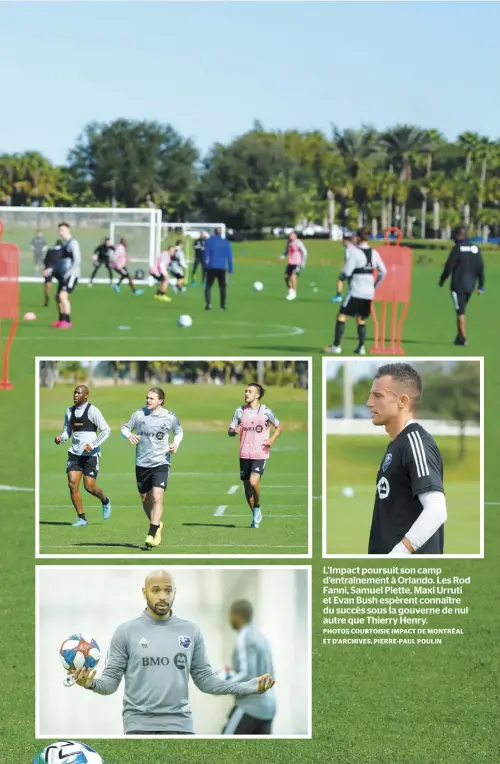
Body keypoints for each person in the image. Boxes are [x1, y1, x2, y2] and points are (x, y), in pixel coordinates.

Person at [69, 569, 276, 735]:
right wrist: (91, 683)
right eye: (156, 590)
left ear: (175, 592)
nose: (162, 596)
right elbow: (110, 682)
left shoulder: (191, 630)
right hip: (139, 728)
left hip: (181, 727)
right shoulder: (125, 631)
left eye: (168, 590)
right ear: (144, 593)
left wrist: (247, 687)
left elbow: (206, 681)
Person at [365, 363, 447, 555]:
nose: (369, 402)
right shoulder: (397, 444)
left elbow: (436, 510)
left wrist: (399, 553)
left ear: (402, 401)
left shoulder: (415, 443)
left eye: (378, 396)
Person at [121, 388, 183, 549]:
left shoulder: (170, 417)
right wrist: (129, 435)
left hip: (161, 462)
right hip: (142, 463)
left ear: (160, 400)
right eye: (147, 398)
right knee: (144, 498)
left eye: (152, 398)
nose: (148, 401)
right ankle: (157, 524)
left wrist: (175, 444)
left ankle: (151, 533)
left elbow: (178, 432)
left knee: (157, 497)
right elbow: (124, 428)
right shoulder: (138, 415)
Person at [54, 384, 112, 527]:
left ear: (86, 396)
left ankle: (105, 501)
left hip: (91, 455)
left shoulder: (93, 411)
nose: (75, 395)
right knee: (72, 484)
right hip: (75, 453)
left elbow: (106, 430)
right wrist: (61, 438)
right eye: (74, 392)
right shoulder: (69, 411)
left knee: (89, 487)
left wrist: (92, 445)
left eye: (79, 393)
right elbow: (67, 431)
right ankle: (82, 518)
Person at [324, 227, 387, 355]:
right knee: (361, 318)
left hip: (355, 290)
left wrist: (341, 278)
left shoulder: (354, 252)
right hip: (368, 292)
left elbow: (347, 271)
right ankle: (361, 347)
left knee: (341, 316)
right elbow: (384, 272)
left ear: (358, 238)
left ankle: (336, 346)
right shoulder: (374, 253)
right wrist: (375, 285)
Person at [228, 383, 282, 528]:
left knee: (253, 482)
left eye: (250, 391)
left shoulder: (266, 411)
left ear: (257, 395)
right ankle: (255, 515)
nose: (246, 393)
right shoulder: (239, 411)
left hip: (260, 453)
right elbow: (230, 431)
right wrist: (234, 431)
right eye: (246, 391)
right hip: (244, 454)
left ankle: (257, 506)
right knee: (247, 489)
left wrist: (272, 439)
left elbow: (279, 426)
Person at [222, 599, 276, 735]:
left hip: (250, 707)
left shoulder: (244, 637)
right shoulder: (260, 637)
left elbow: (247, 674)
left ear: (239, 616)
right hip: (268, 709)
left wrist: (221, 684)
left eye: (231, 615)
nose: (229, 619)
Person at [438, 226, 485, 346]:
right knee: (462, 310)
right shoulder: (475, 248)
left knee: (460, 311)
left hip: (458, 285)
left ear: (459, 236)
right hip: (470, 285)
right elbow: (481, 268)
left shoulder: (457, 248)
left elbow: (449, 266)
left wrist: (442, 280)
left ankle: (463, 338)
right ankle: (459, 336)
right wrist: (481, 286)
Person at [50, 222, 82, 329]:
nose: (60, 233)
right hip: (64, 275)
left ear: (68, 230)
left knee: (63, 296)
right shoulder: (65, 244)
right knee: (57, 297)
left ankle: (68, 321)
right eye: (59, 230)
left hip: (72, 275)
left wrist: (68, 272)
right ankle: (61, 320)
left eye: (62, 230)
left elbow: (77, 260)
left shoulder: (73, 243)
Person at [204, 227, 233, 311]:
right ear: (221, 233)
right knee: (222, 287)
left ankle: (208, 304)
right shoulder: (226, 242)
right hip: (222, 267)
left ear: (214, 232)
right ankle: (222, 306)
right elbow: (230, 257)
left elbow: (206, 254)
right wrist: (231, 268)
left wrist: (206, 265)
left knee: (208, 286)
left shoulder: (209, 241)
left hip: (212, 266)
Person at [280, 231, 308, 301]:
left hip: (297, 262)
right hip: (290, 262)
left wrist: (303, 263)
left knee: (293, 276)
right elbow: (286, 251)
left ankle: (293, 293)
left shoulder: (298, 242)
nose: (290, 237)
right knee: (286, 277)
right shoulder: (288, 242)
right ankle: (290, 291)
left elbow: (304, 252)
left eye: (292, 236)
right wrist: (281, 257)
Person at [41, 238, 64, 307]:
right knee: (62, 282)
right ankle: (60, 295)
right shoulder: (63, 251)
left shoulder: (50, 250)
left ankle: (47, 296)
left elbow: (45, 260)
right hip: (58, 268)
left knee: (47, 283)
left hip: (49, 267)